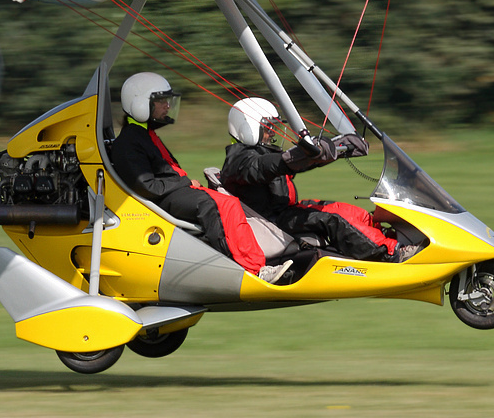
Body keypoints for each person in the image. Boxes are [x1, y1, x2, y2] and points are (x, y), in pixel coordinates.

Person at [109, 73, 292, 282]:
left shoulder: (142, 134)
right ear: (139, 102)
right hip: (161, 198)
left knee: (229, 202)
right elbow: (146, 185)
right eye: (161, 101)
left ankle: (256, 260)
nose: (167, 107)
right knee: (217, 206)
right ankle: (254, 270)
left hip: (171, 192)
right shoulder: (129, 141)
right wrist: (185, 182)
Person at [219, 97, 420, 262]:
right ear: (248, 127)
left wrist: (336, 150)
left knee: (347, 210)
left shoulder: (259, 153)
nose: (272, 131)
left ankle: (390, 238)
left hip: (284, 211)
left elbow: (292, 164)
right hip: (270, 222)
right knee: (334, 220)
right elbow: (265, 167)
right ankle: (392, 253)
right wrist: (293, 158)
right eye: (268, 126)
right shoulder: (239, 161)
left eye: (273, 126)